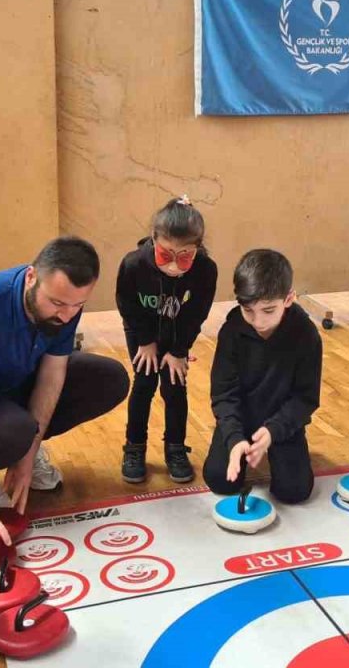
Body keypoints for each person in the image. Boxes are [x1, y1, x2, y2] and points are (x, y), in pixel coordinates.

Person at [0, 237, 130, 556]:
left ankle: (20, 444)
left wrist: (28, 455)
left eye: (78, 305)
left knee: (109, 378)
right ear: (31, 277)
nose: (68, 315)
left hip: (11, 382)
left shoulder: (65, 307)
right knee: (13, 432)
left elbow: (52, 374)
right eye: (58, 303)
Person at [202, 249, 321, 505]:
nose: (258, 321)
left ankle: (276, 449)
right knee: (219, 480)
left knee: (294, 491)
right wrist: (234, 438)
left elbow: (305, 398)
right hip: (242, 419)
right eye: (248, 311)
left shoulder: (306, 335)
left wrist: (273, 431)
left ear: (289, 298)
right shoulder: (232, 331)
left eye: (268, 310)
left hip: (282, 421)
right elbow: (223, 394)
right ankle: (239, 448)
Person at [115, 195, 218, 484]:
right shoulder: (134, 264)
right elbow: (127, 304)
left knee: (175, 386)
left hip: (178, 335)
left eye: (184, 256)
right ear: (153, 239)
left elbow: (197, 312)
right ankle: (134, 447)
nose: (174, 266)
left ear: (198, 248)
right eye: (166, 254)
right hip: (141, 332)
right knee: (144, 383)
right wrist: (145, 341)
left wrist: (179, 350)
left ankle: (175, 449)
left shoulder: (206, 270)